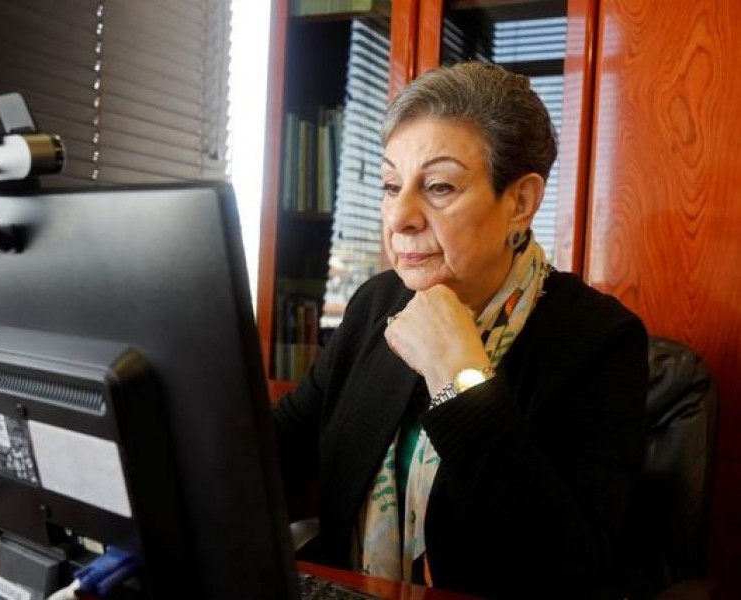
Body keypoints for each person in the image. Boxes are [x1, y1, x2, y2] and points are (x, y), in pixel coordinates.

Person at [273, 62, 648, 599]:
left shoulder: (599, 339)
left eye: (440, 186)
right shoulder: (375, 304)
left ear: (519, 201)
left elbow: (575, 567)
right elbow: (278, 449)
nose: (399, 216)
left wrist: (459, 376)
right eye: (389, 185)